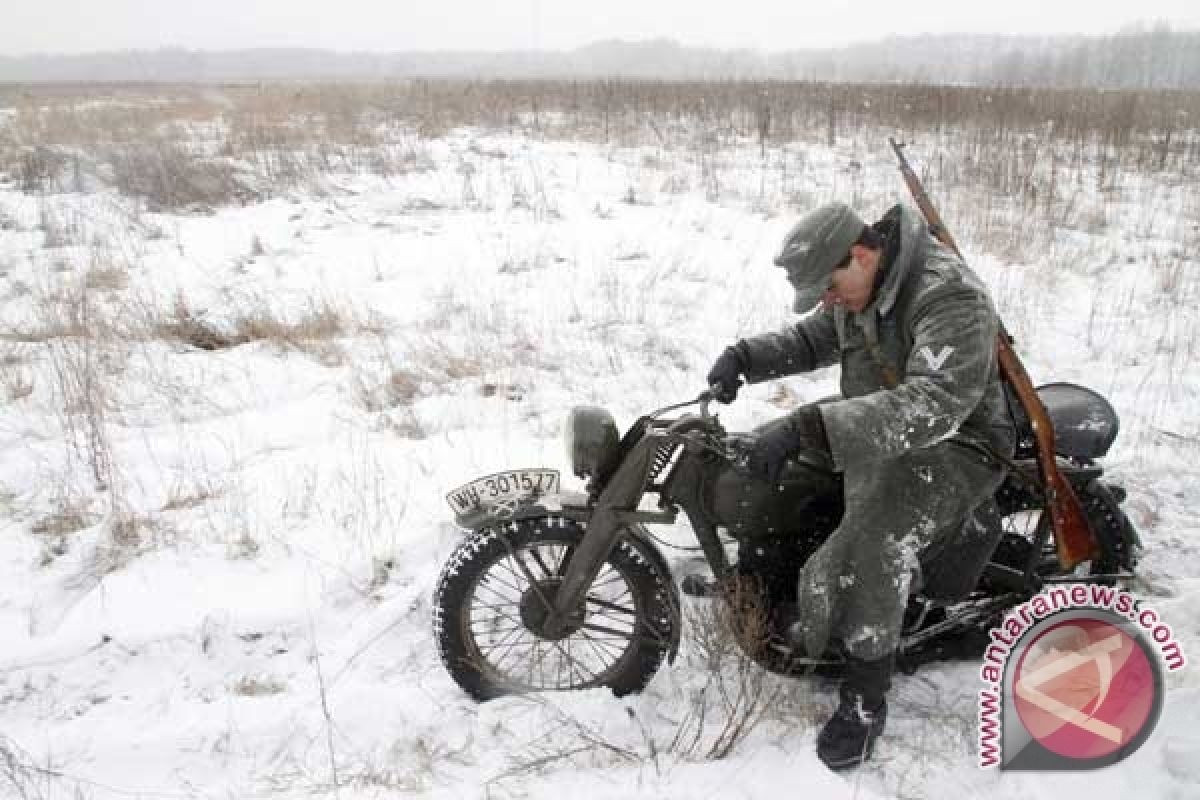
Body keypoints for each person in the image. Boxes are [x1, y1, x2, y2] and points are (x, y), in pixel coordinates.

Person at [707, 202, 1015, 770]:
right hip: (881, 418)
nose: (828, 299)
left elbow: (936, 405)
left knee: (873, 538)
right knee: (767, 464)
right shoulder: (864, 285)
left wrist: (812, 426)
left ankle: (865, 695)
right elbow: (813, 340)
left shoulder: (949, 297)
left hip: (958, 442)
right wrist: (745, 358)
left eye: (828, 285)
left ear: (864, 253)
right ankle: (772, 575)